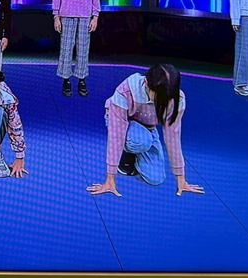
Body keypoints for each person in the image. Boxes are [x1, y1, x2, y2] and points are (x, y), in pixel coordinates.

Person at [87, 64, 204, 197]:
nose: (164, 100)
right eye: (159, 95)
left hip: (148, 128)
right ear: (147, 84)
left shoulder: (176, 98)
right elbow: (116, 135)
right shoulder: (126, 90)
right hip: (123, 124)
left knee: (156, 178)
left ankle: (138, 150)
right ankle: (126, 154)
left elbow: (173, 137)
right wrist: (110, 178)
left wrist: (181, 179)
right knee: (139, 141)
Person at [52, 0, 100, 97]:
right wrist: (56, 16)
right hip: (66, 15)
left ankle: (81, 79)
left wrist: (95, 16)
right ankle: (66, 79)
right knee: (66, 48)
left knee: (83, 48)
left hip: (85, 15)